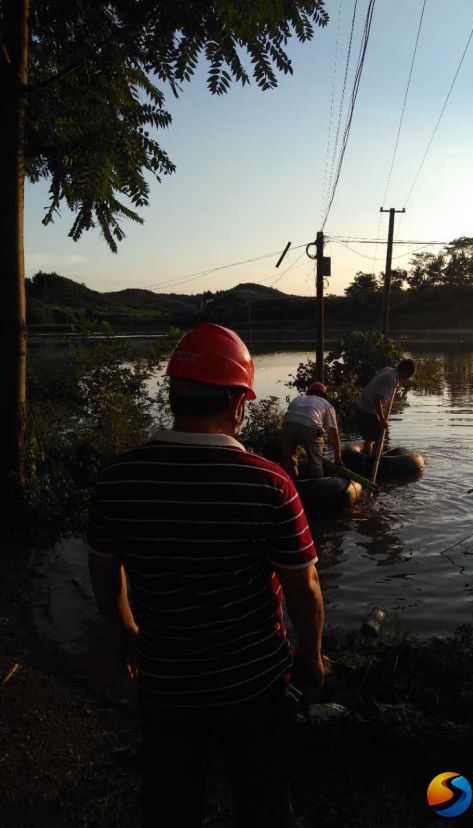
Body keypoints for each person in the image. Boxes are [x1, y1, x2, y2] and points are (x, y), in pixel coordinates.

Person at [87, 323, 325, 828]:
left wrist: (124, 633)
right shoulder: (270, 482)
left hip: (166, 682)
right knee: (263, 805)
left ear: (173, 395)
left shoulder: (118, 479)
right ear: (239, 403)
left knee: (172, 805)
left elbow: (104, 573)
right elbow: (304, 589)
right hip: (256, 684)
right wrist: (312, 654)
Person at [355, 358, 416, 456]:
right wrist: (382, 419)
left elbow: (380, 396)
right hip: (367, 409)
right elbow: (377, 400)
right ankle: (374, 461)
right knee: (379, 436)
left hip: (361, 406)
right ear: (405, 372)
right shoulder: (391, 379)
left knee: (370, 437)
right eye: (408, 376)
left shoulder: (388, 370)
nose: (406, 379)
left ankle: (368, 458)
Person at [281, 382, 342, 479]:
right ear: (324, 396)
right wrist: (338, 460)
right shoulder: (327, 405)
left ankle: (294, 486)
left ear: (309, 392)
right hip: (310, 426)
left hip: (287, 424)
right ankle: (318, 486)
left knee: (290, 462)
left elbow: (293, 417)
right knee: (316, 463)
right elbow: (334, 434)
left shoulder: (298, 399)